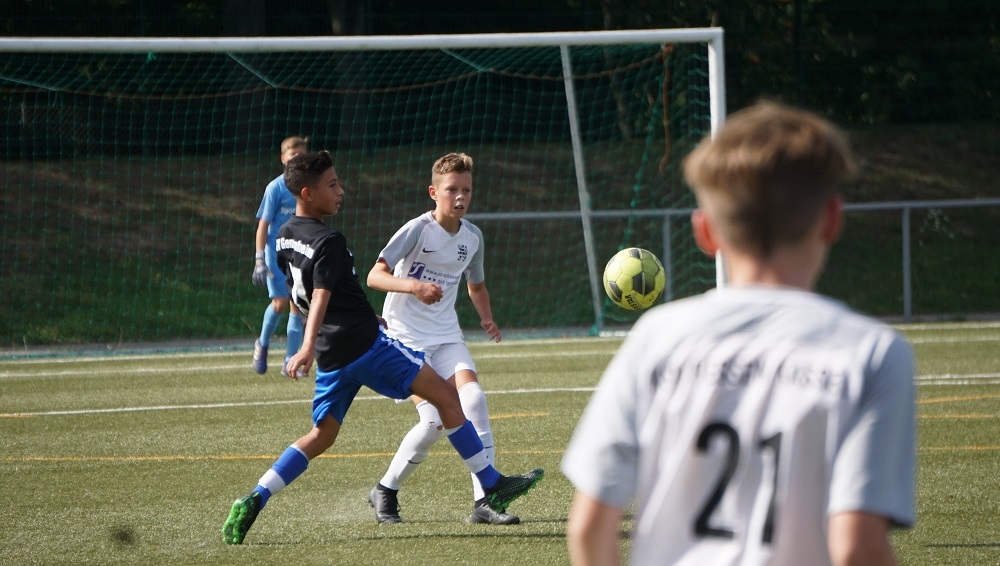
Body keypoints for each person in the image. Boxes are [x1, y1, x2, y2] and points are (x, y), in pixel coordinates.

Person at [561, 102, 915, 566]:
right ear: (832, 219)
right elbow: (857, 547)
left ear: (705, 232)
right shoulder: (871, 352)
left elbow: (589, 528)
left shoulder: (658, 337)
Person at [222, 151, 544, 545]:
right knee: (447, 399)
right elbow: (320, 294)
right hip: (368, 346)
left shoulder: (286, 234)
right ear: (308, 193)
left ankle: (256, 497)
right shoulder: (331, 240)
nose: (341, 190)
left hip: (334, 353)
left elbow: (301, 293)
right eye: (333, 185)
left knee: (321, 435)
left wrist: (327, 334)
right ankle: (490, 484)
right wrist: (305, 346)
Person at [366, 153, 515, 526]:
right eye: (452, 190)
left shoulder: (473, 237)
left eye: (467, 190)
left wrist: (486, 318)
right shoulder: (417, 229)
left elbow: (476, 285)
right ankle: (385, 489)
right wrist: (414, 286)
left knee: (474, 400)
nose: (460, 197)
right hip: (405, 340)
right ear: (434, 192)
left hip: (447, 335)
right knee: (433, 421)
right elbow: (375, 275)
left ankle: (486, 502)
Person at [251, 136, 309, 378]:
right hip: (275, 255)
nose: (297, 159)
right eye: (293, 155)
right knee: (280, 303)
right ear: (283, 159)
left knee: (298, 306)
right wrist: (259, 259)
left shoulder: (308, 187)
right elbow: (263, 226)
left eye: (301, 155)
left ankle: (289, 362)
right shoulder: (275, 188)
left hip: (298, 254)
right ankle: (262, 343)